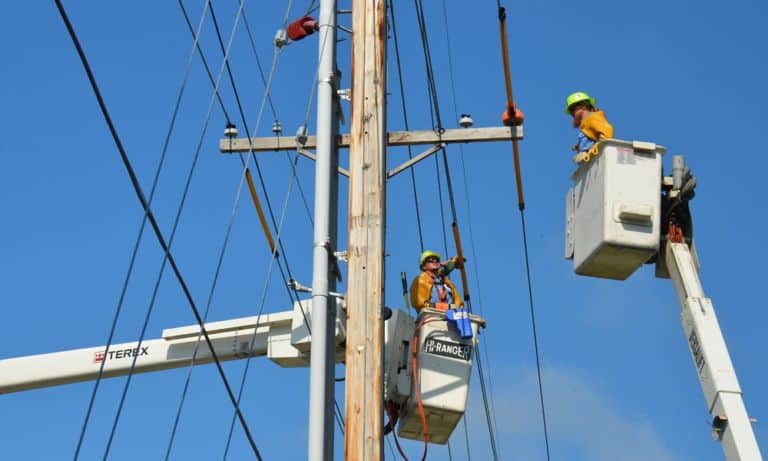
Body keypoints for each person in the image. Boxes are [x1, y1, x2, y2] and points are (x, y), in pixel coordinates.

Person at [565, 91, 614, 163]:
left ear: (583, 106)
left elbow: (608, 131)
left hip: (593, 154)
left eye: (573, 110)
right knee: (577, 159)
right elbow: (589, 137)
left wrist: (597, 146)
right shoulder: (586, 123)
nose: (572, 114)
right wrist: (580, 145)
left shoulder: (592, 118)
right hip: (589, 155)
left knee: (578, 158)